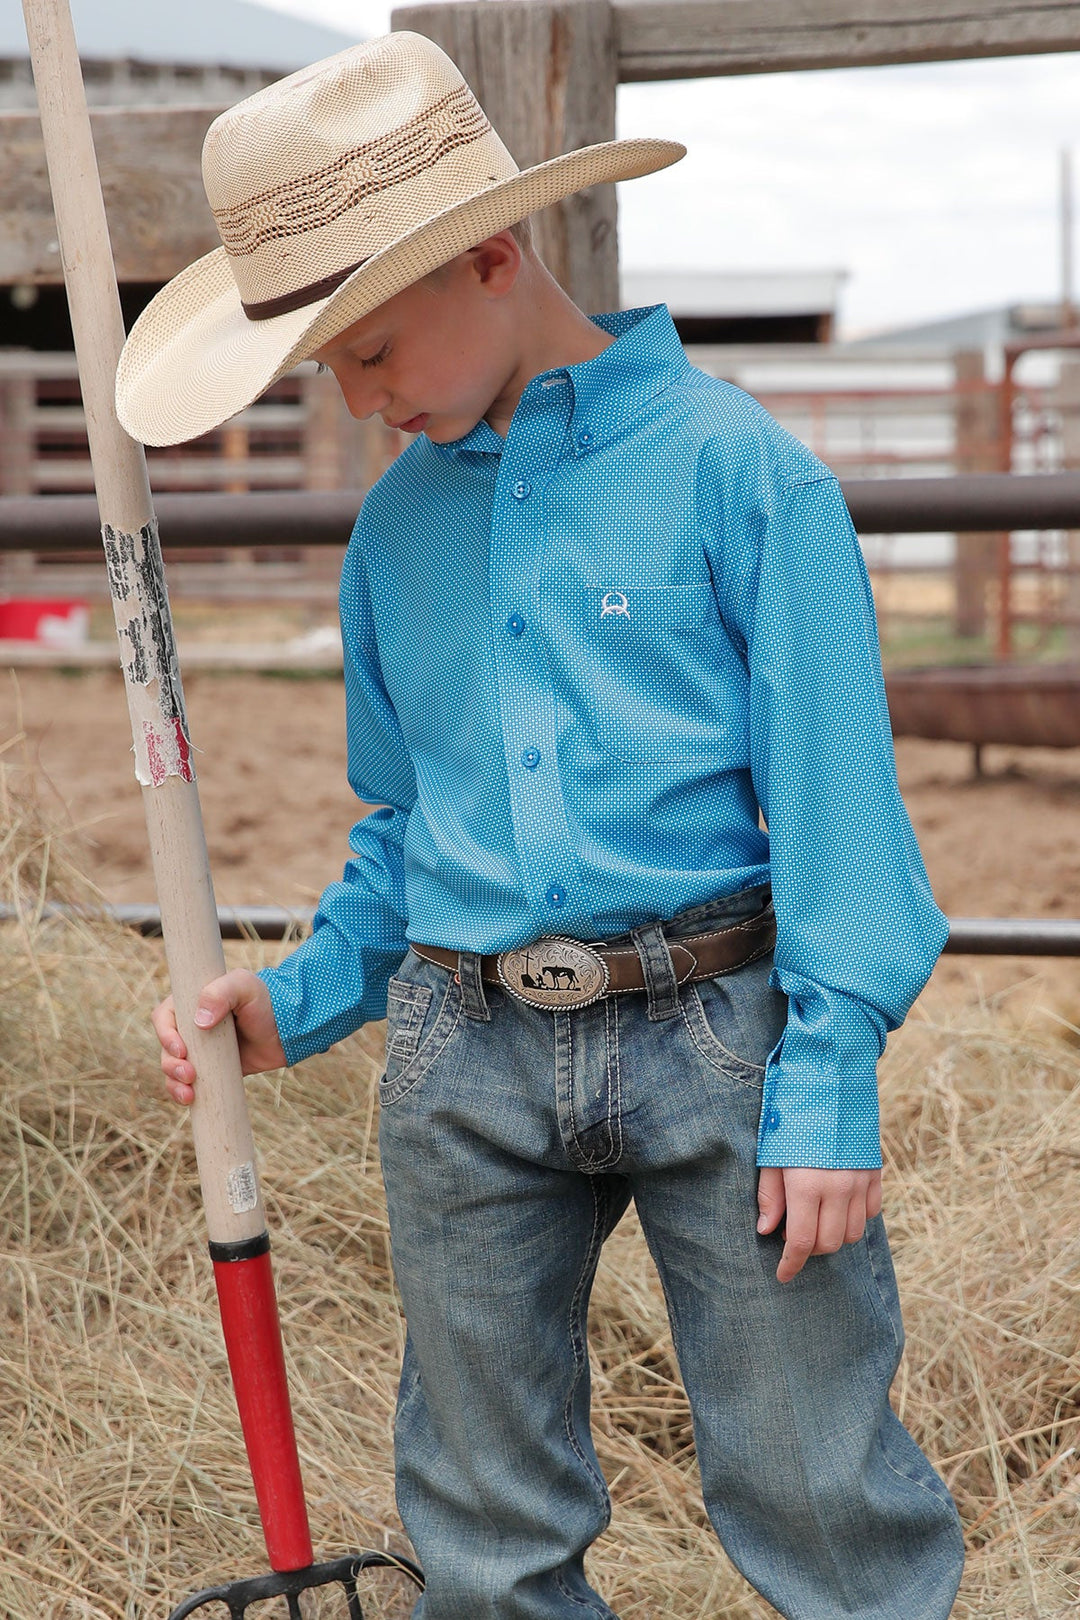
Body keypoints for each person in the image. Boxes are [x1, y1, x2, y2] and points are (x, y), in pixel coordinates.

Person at [127, 31, 965, 1620]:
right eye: (332, 374)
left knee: (816, 1484)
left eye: (369, 352)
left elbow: (840, 805)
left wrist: (831, 1073)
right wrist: (290, 1001)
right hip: (463, 1049)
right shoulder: (396, 531)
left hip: (721, 1032)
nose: (363, 404)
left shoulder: (740, 478)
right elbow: (404, 829)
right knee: (480, 1523)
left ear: (495, 257)